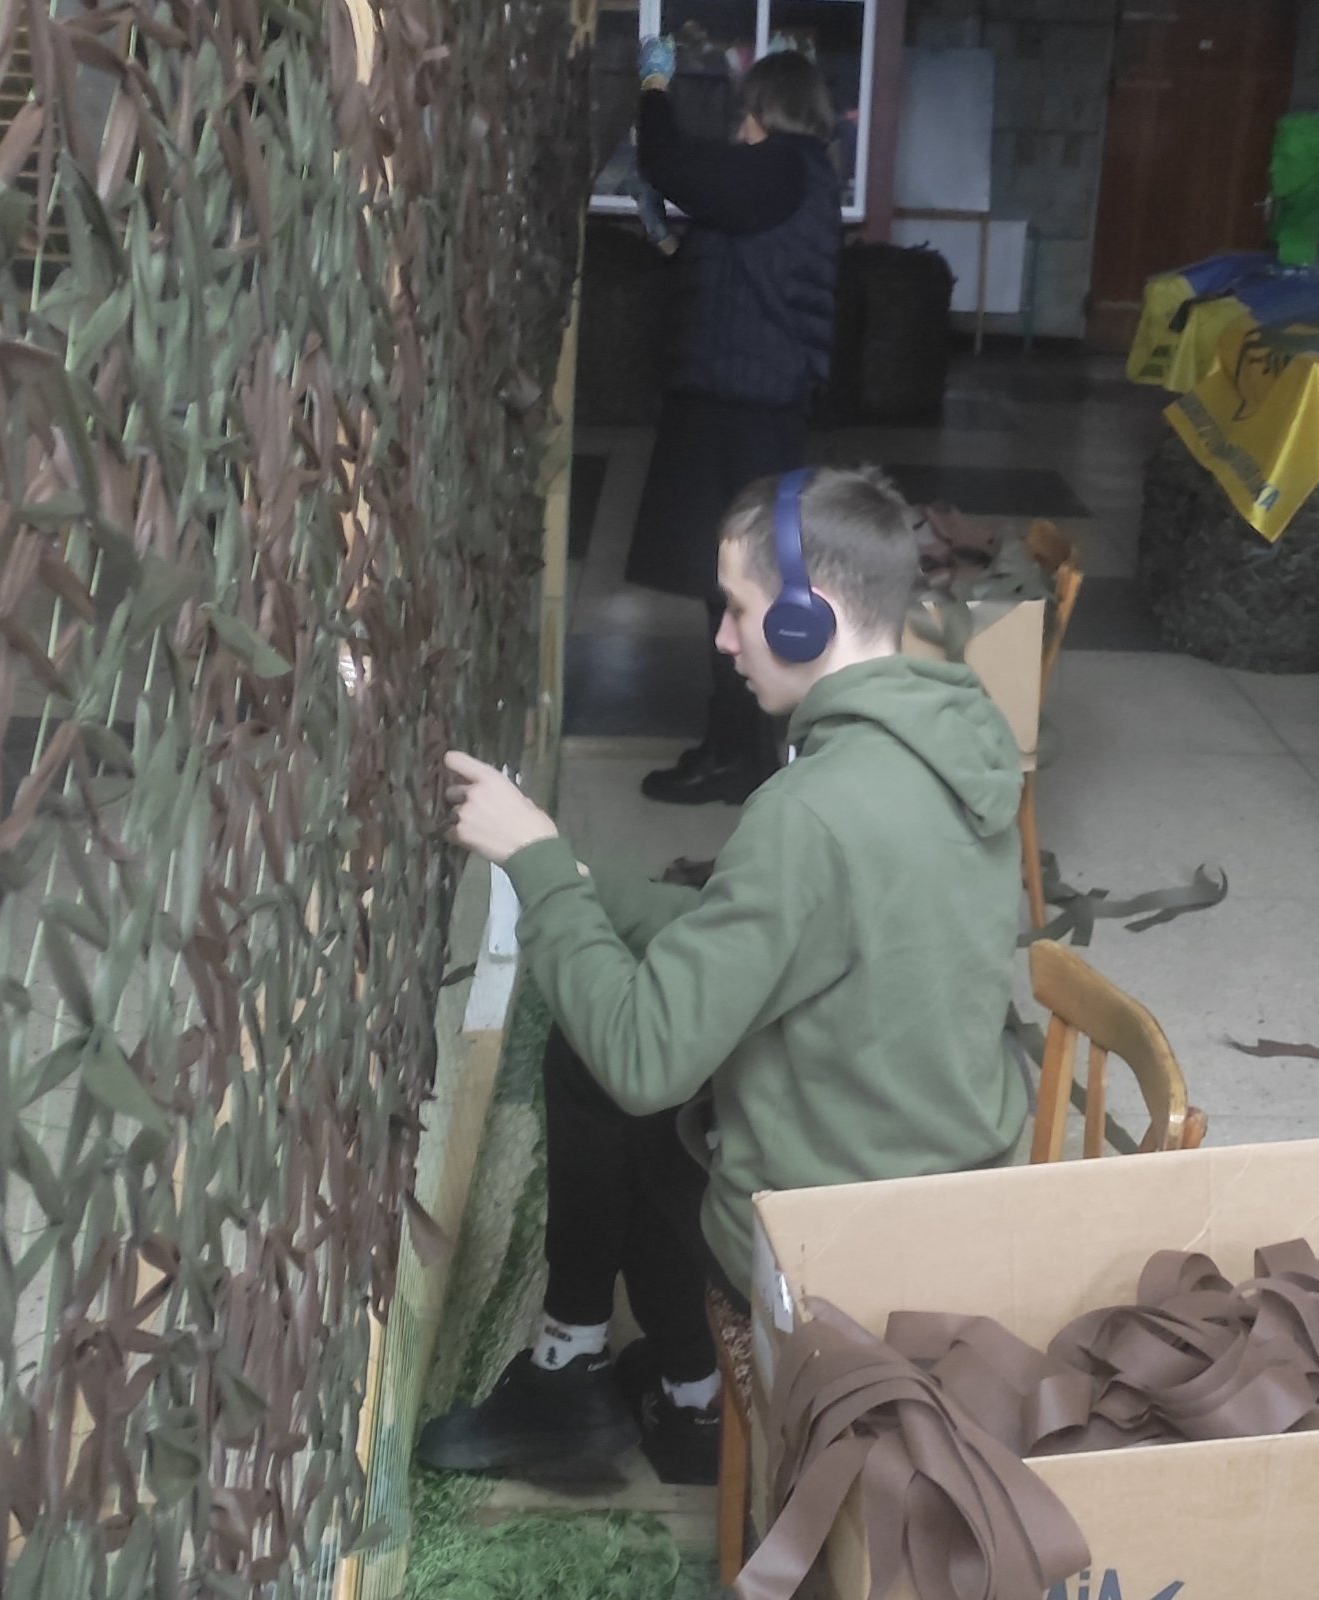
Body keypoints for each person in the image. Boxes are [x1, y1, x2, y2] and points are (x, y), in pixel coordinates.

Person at [417, 467, 1026, 1488]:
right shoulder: (953, 744)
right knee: (627, 1052)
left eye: (738, 611)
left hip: (834, 1234)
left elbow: (643, 1060)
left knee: (604, 1069)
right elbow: (796, 931)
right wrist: (591, 884)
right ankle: (677, 1390)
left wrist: (534, 869)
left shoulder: (810, 811)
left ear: (803, 619)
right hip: (943, 1173)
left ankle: (610, 1384)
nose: (723, 641)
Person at [626, 38, 843, 806]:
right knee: (728, 584)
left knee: (735, 587)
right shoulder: (789, 177)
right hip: (742, 406)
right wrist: (669, 241)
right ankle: (736, 747)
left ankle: (738, 756)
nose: (738, 127)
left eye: (746, 111)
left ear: (768, 111)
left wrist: (655, 90)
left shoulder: (780, 166)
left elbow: (668, 160)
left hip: (740, 413)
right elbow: (744, 268)